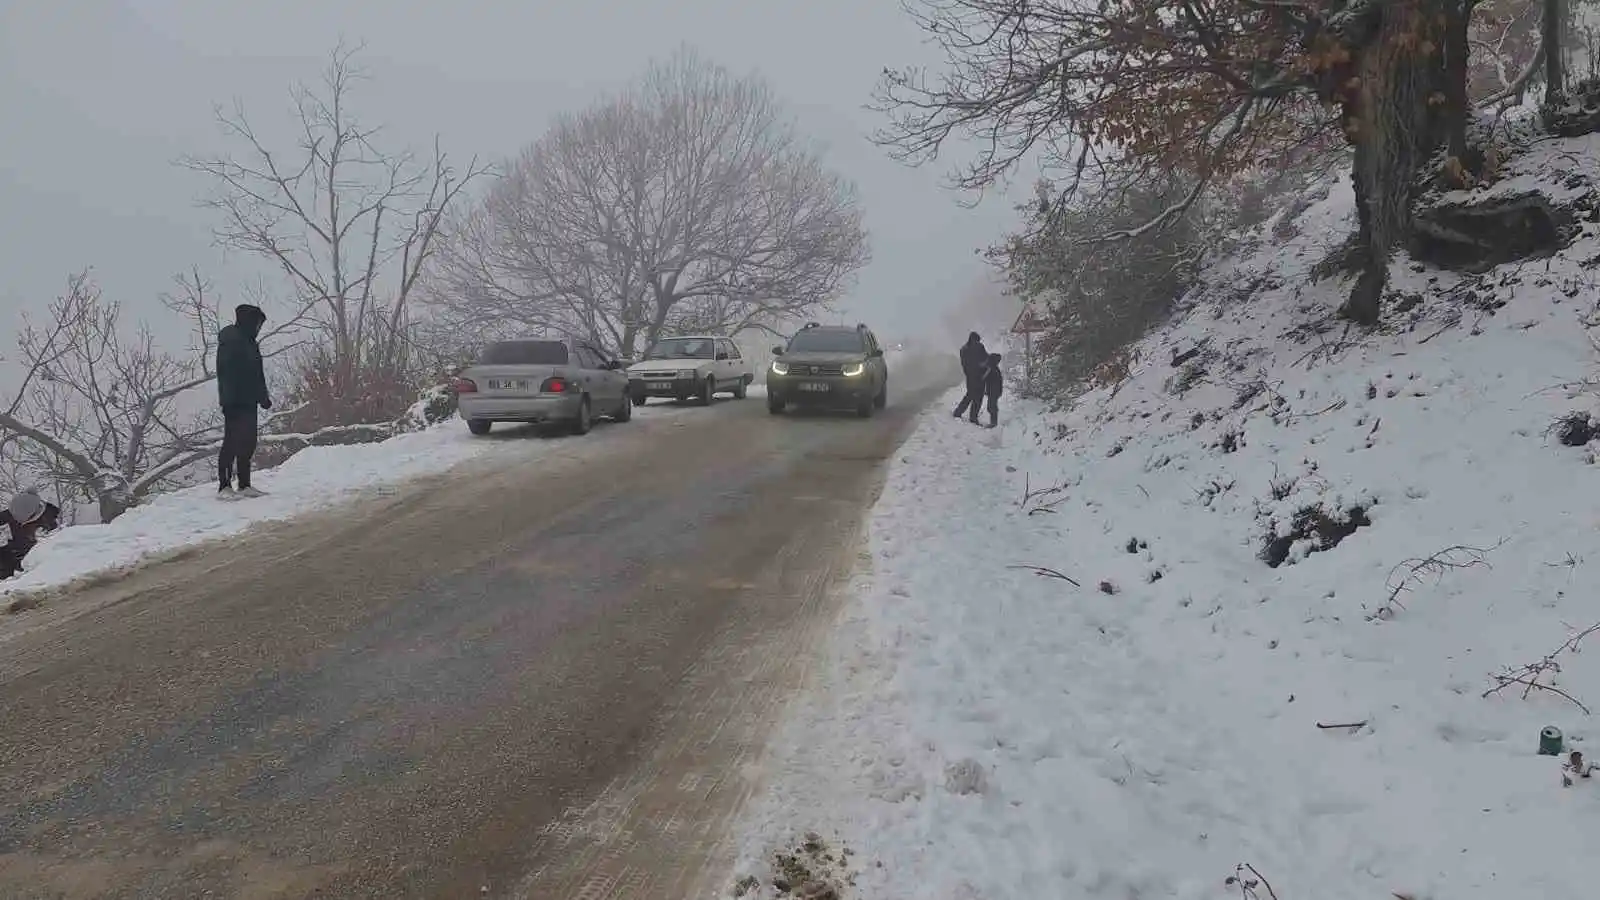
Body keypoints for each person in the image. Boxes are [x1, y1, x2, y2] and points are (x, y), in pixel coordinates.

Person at [216, 303, 272, 499]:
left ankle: (244, 484)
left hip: (249, 401)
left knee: (248, 442)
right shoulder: (231, 341)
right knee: (231, 442)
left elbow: (256, 374)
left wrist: (263, 397)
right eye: (257, 324)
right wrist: (229, 400)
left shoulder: (249, 343)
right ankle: (224, 486)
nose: (258, 329)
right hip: (234, 401)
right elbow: (227, 374)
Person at [0, 489, 62, 580]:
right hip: (13, 553)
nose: (17, 520)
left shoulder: (48, 522)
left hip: (33, 562)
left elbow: (52, 548)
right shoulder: (13, 513)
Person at [953, 331, 988, 420]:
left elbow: (964, 364)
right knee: (978, 398)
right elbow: (986, 359)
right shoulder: (979, 347)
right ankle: (973, 417)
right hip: (980, 376)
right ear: (975, 339)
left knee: (970, 395)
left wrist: (968, 373)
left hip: (969, 377)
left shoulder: (963, 349)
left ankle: (958, 412)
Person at [981, 352, 1004, 428]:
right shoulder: (995, 368)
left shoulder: (991, 369)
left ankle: (993, 423)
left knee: (991, 407)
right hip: (994, 391)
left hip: (993, 391)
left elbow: (984, 378)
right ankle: (994, 422)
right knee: (992, 406)